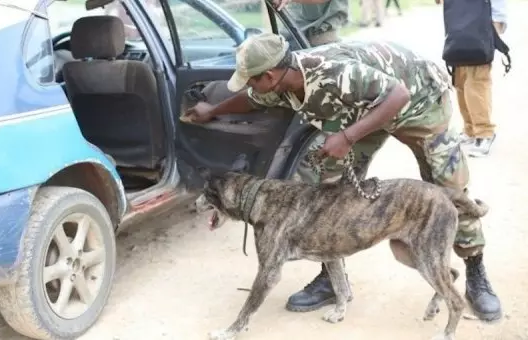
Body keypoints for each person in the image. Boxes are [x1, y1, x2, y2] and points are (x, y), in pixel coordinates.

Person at [182, 33, 502, 322]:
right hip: (366, 109)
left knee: (449, 187)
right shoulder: (281, 81)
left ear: (269, 75)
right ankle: (330, 271)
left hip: (417, 101)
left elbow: (398, 95)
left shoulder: (333, 73)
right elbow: (254, 99)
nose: (250, 86)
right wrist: (213, 111)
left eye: (251, 80)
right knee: (327, 186)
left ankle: (475, 272)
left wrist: (347, 137)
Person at [438, 0, 506, 158]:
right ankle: (470, 130)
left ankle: (484, 132)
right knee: (461, 82)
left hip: (482, 26)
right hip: (460, 29)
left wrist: (496, 24)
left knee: (476, 84)